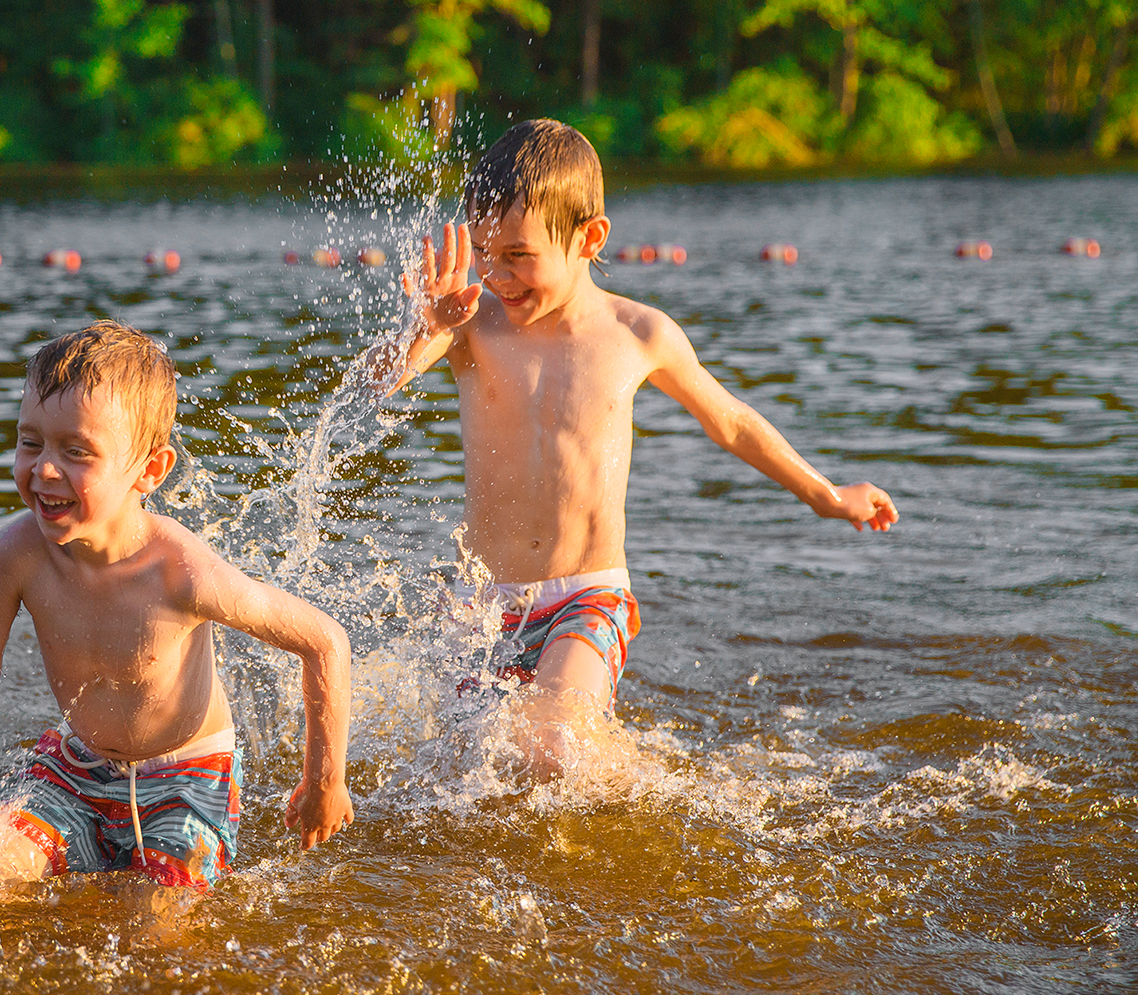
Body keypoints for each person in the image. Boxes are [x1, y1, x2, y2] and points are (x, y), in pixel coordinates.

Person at [377, 119, 898, 777]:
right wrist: (421, 326)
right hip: (483, 604)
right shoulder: (469, 325)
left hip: (586, 594)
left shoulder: (636, 333)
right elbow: (374, 382)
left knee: (554, 750)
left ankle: (633, 785)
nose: (497, 275)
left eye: (518, 255)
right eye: (483, 252)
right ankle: (629, 765)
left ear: (589, 237)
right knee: (463, 766)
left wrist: (826, 494)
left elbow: (731, 422)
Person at [0, 320, 354, 898]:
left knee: (154, 922)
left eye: (76, 452)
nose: (44, 469)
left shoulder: (181, 572)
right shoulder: (15, 556)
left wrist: (325, 782)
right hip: (76, 768)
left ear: (149, 471)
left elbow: (324, 641)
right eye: (30, 442)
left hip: (188, 780)